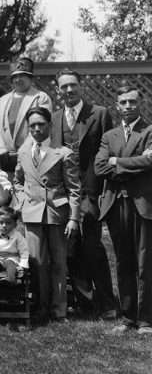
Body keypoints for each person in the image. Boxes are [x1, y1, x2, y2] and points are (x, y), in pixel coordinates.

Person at [51, 70, 117, 320]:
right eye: (64, 87)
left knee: (92, 247)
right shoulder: (55, 118)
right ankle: (85, 303)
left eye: (73, 85)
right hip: (64, 194)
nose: (69, 90)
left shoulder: (99, 114)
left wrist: (102, 190)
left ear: (81, 86)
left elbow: (107, 151)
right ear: (58, 90)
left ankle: (107, 303)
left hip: (91, 192)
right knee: (71, 249)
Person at [14, 105, 81, 323]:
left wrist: (73, 218)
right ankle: (40, 307)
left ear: (50, 126)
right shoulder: (23, 152)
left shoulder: (63, 153)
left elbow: (74, 189)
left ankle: (59, 309)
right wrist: (22, 201)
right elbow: (18, 182)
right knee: (38, 263)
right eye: (32, 125)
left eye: (41, 124)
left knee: (59, 263)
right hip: (32, 214)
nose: (36, 129)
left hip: (57, 214)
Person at [94, 84, 152, 333]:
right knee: (123, 261)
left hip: (143, 204)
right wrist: (134, 165)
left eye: (132, 101)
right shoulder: (110, 135)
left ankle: (147, 319)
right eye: (123, 102)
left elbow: (150, 161)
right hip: (116, 203)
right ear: (117, 106)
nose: (128, 106)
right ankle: (128, 318)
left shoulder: (149, 131)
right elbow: (99, 167)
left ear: (141, 103)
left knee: (145, 263)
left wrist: (116, 161)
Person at [0, 56, 52, 174]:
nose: (18, 79)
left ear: (30, 78)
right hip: (5, 160)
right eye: (15, 76)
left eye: (22, 75)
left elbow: (40, 126)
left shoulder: (40, 97)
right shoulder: (2, 100)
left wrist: (23, 152)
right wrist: (1, 151)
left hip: (32, 157)